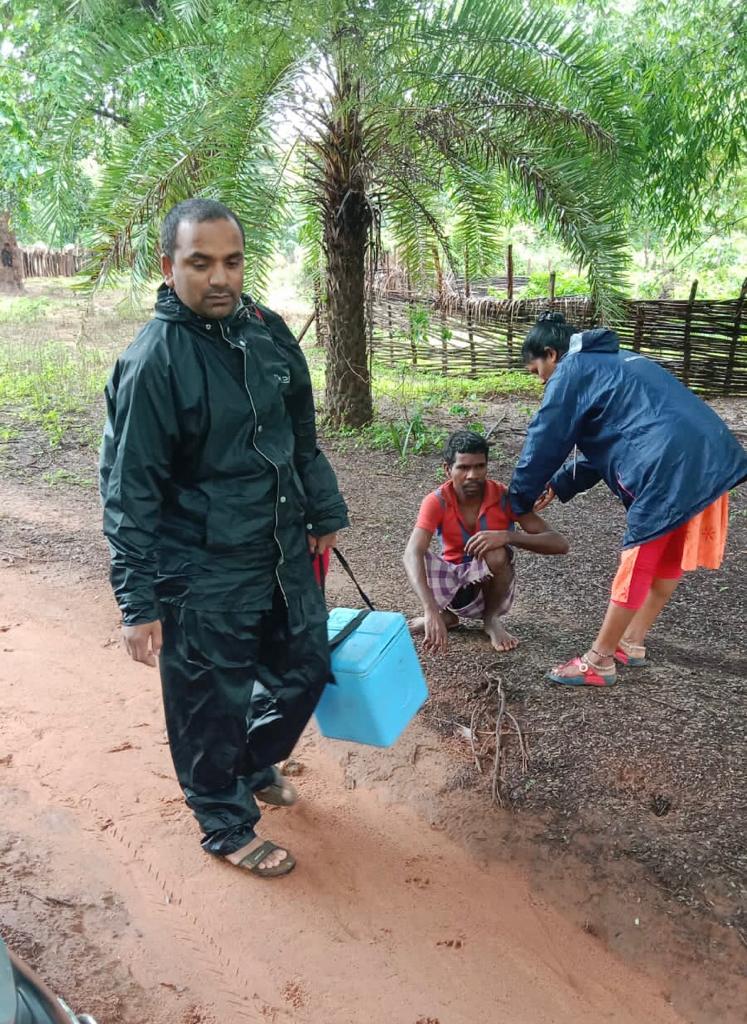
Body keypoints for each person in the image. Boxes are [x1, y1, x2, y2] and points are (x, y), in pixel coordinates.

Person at [100, 198, 349, 877]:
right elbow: (130, 490)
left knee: (305, 668)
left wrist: (322, 509)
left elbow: (300, 432)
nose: (219, 278)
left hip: (278, 546)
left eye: (231, 261)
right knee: (211, 698)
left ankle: (246, 763)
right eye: (200, 262)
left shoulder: (264, 330)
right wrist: (138, 601)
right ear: (167, 265)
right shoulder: (154, 362)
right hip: (200, 567)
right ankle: (223, 818)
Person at [509, 311, 747, 686]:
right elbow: (616, 433)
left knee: (638, 558)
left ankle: (600, 660)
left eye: (536, 371)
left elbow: (546, 439)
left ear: (551, 354)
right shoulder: (616, 360)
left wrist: (516, 500)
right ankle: (631, 642)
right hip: (709, 454)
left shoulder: (571, 371)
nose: (540, 380)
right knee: (668, 553)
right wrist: (560, 483)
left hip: (668, 464)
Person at [403, 430, 569, 654]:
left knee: (497, 552)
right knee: (418, 554)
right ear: (447, 469)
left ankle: (491, 620)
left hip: (492, 587)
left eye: (479, 466)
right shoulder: (437, 501)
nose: (472, 475)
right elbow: (411, 552)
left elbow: (560, 544)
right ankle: (444, 615)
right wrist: (429, 609)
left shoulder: (504, 497)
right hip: (453, 586)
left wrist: (508, 536)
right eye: (463, 467)